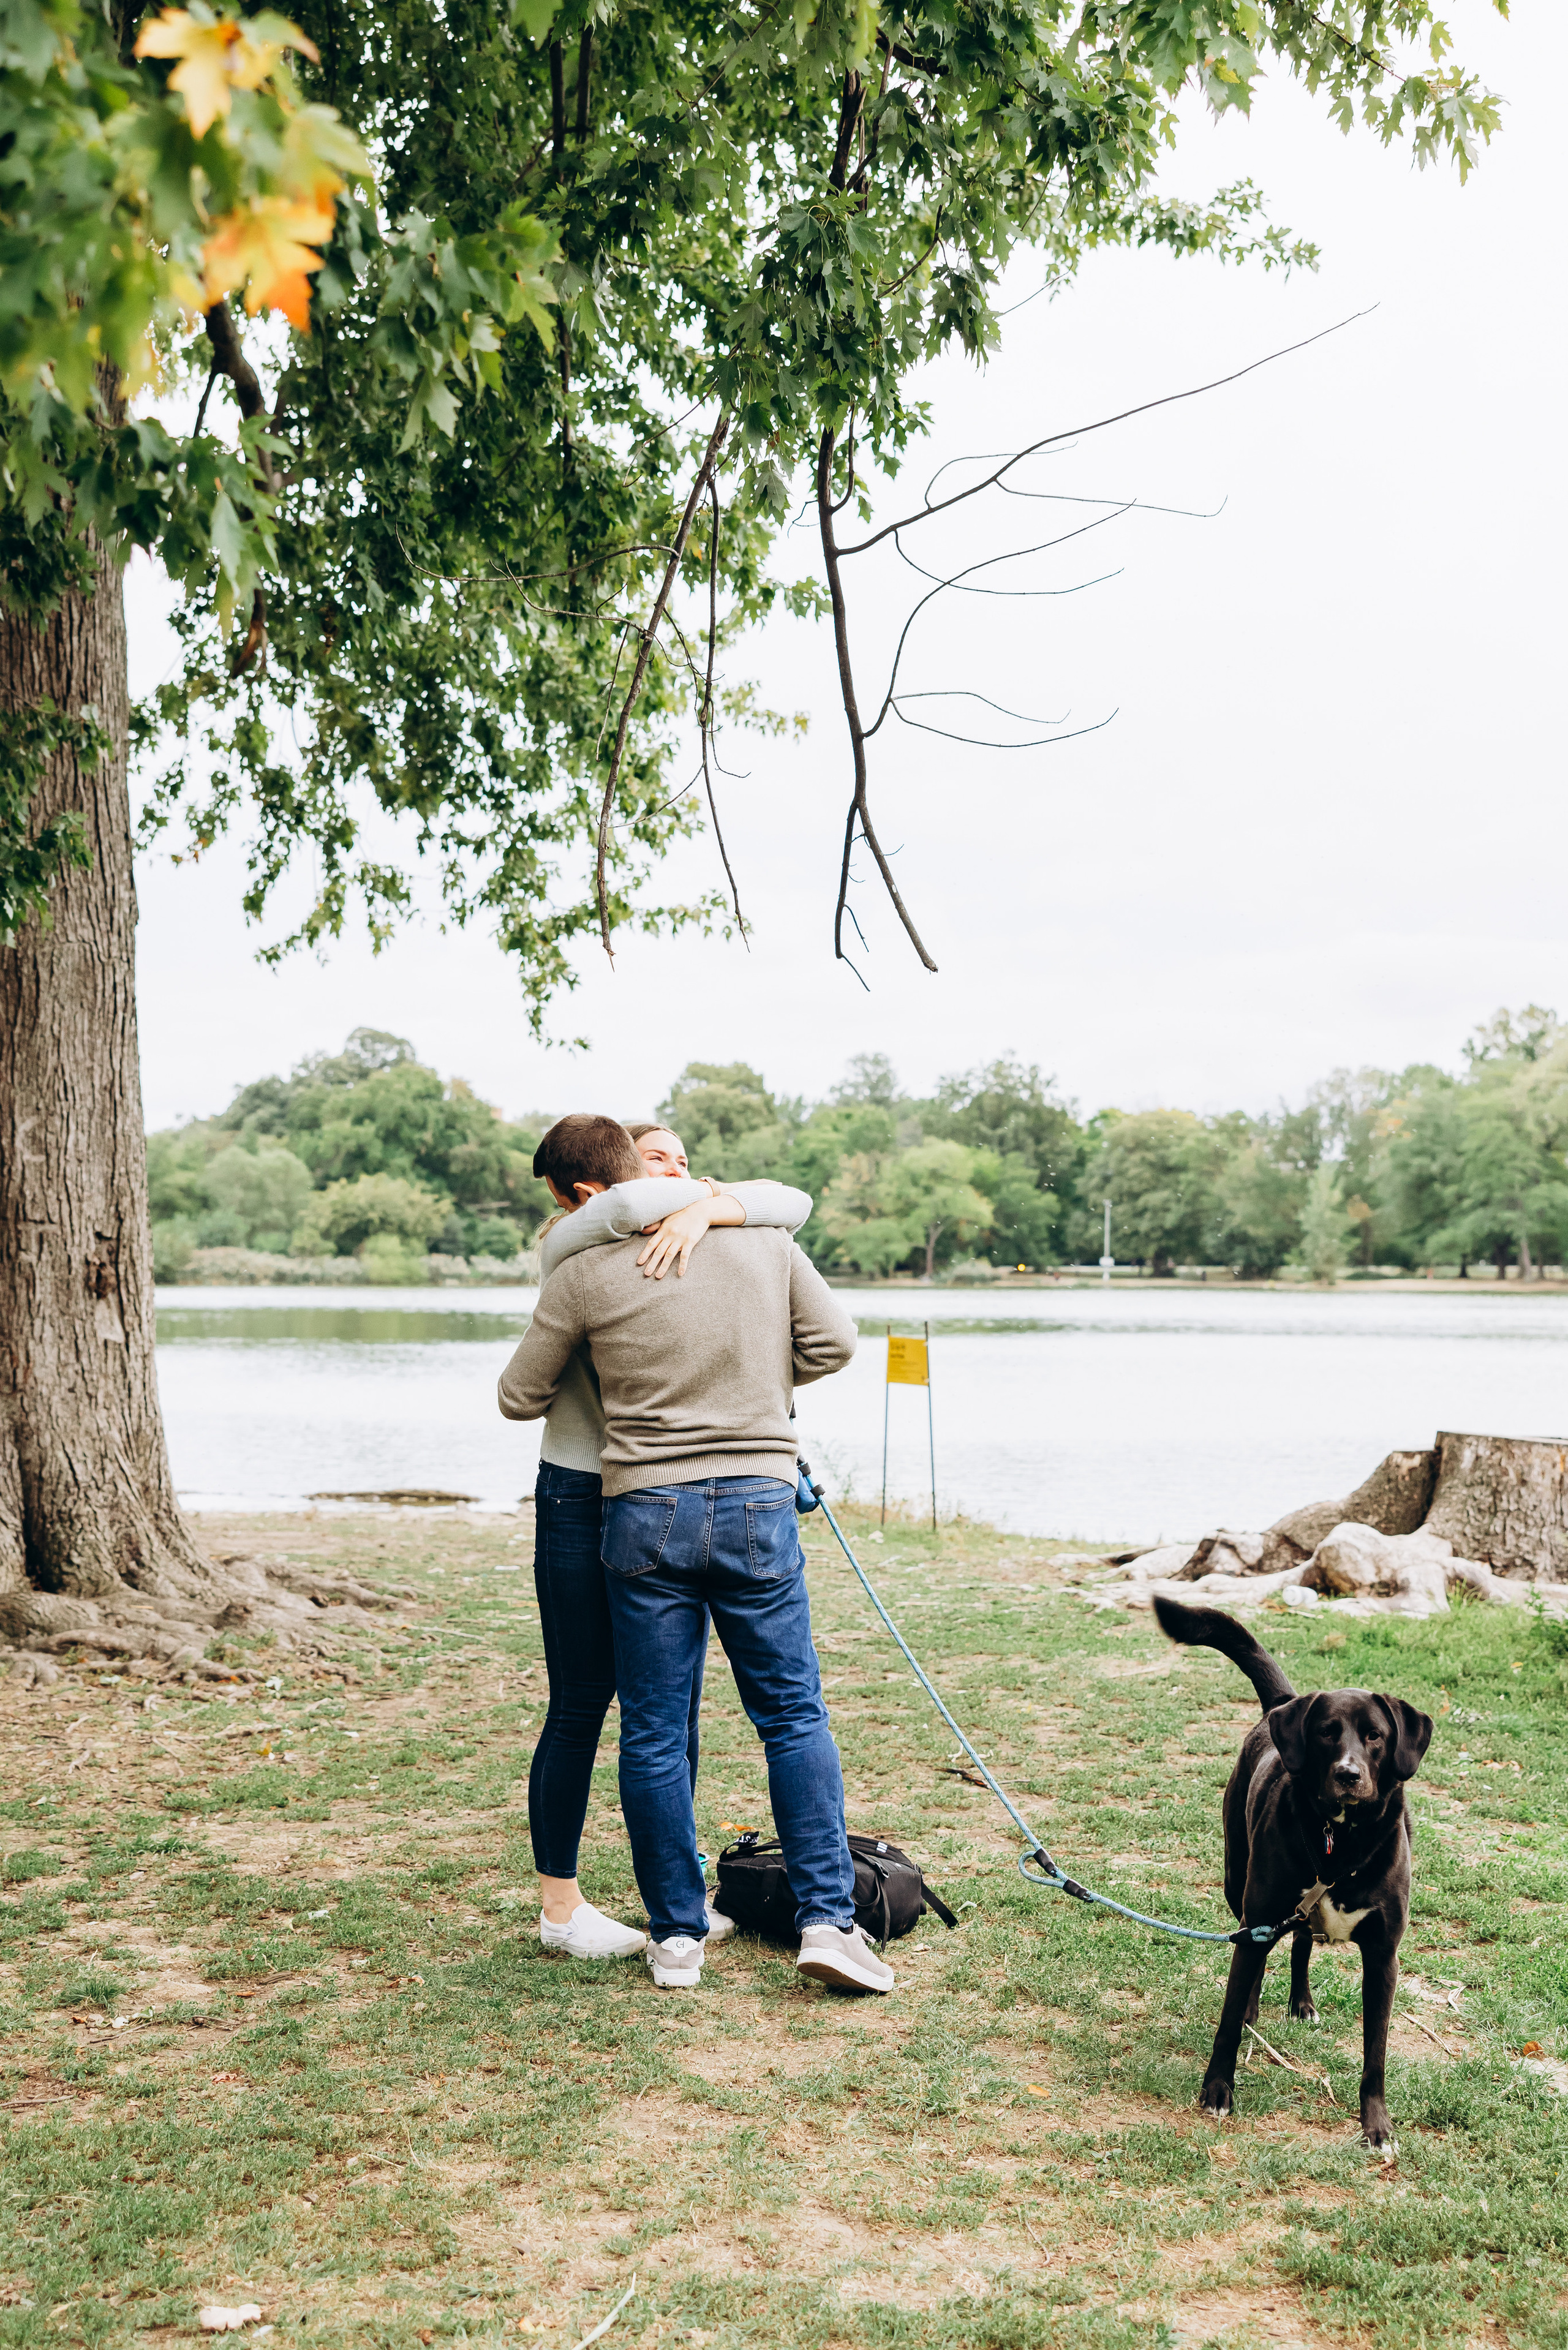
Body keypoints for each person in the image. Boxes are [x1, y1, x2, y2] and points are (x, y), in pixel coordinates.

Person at [499, 1156, 894, 1997]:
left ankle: (677, 1937)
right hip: (758, 1497)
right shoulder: (767, 1242)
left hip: (642, 1511)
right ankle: (827, 1921)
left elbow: (519, 1393)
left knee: (649, 1728)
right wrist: (756, 1385)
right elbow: (835, 1343)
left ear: (589, 1194)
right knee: (791, 1714)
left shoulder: (581, 1270)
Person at [517, 1114, 812, 1961]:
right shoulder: (575, 1244)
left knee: (668, 1705)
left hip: (655, 1493)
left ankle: (675, 1896)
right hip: (583, 1490)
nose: (680, 1177)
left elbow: (792, 1203)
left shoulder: (676, 1239)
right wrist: (711, 1205)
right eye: (659, 1164)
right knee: (583, 1700)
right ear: (602, 1186)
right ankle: (561, 1906)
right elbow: (772, 1205)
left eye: (691, 1162)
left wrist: (706, 1212)